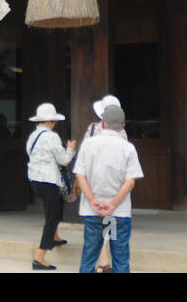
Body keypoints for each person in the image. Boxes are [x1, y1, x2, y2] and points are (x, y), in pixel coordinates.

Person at [74, 104, 144, 273]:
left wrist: (92, 200)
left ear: (102, 123)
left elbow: (80, 176)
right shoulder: (128, 147)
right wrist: (112, 204)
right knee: (120, 258)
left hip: (92, 211)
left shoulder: (88, 144)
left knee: (89, 256)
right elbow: (130, 182)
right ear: (123, 126)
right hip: (118, 213)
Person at [26, 102, 75, 270]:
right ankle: (39, 258)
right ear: (49, 121)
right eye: (54, 121)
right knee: (52, 216)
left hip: (34, 179)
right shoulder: (52, 137)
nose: (55, 124)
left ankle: (55, 236)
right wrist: (70, 149)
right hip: (48, 180)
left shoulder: (33, 136)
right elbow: (64, 160)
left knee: (56, 205)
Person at [82, 94, 127, 269]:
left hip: (94, 180)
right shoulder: (122, 133)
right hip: (114, 182)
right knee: (111, 220)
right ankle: (104, 262)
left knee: (97, 221)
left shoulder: (92, 129)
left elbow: (84, 154)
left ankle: (102, 262)